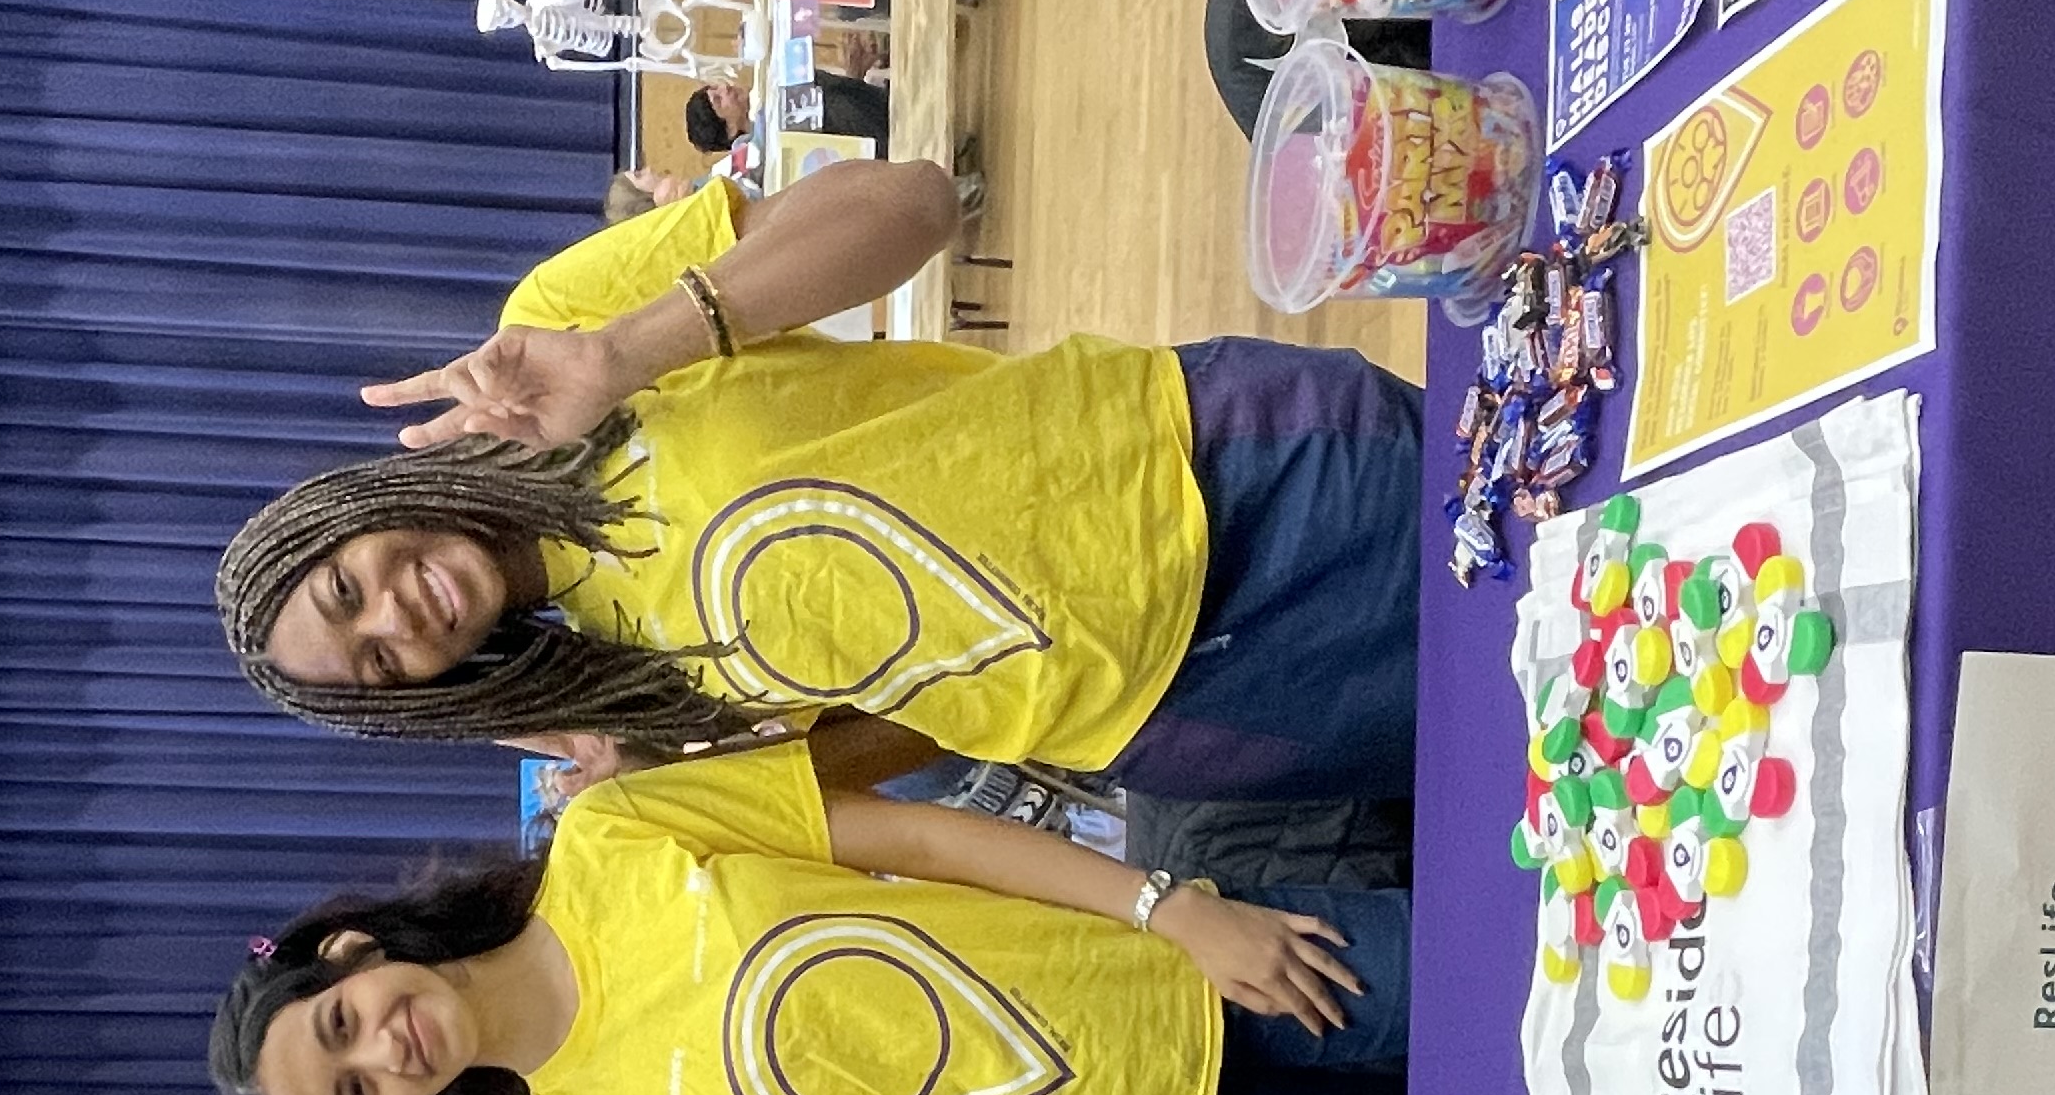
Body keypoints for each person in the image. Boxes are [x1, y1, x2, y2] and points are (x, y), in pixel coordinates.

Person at [218, 157, 1420, 803]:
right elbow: (890, 719)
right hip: (1174, 714)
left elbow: (914, 204)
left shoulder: (553, 333)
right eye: (378, 662)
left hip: (1219, 473)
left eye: (346, 590)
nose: (395, 618)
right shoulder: (616, 695)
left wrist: (628, 351)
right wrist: (708, 769)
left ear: (351, 515)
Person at [210, 740, 1408, 1095]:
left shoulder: (615, 834)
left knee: (1493, 978)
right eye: (362, 1093)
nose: (385, 1053)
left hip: (1185, 976)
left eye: (343, 1028)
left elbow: (923, 837)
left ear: (353, 955)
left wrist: (1170, 907)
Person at [685, 74, 885, 150]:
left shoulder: (765, 104)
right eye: (719, 100)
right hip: (876, 145)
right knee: (826, 102)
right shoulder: (765, 147)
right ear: (729, 130)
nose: (725, 88)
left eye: (716, 88)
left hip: (872, 114)